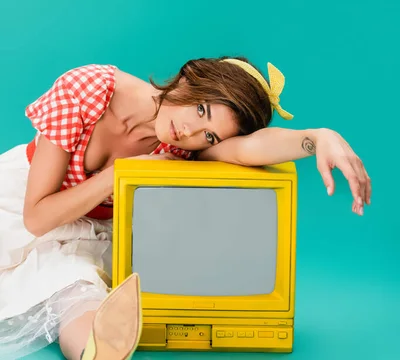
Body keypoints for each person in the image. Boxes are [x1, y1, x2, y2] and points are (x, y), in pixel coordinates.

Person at [0, 57, 371, 360]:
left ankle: (101, 353)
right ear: (187, 79)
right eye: (201, 109)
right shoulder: (88, 89)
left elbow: (247, 149)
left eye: (209, 136)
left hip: (85, 231)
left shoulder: (178, 147)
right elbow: (37, 217)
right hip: (18, 205)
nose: (189, 132)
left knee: (78, 291)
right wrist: (118, 176)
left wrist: (318, 137)